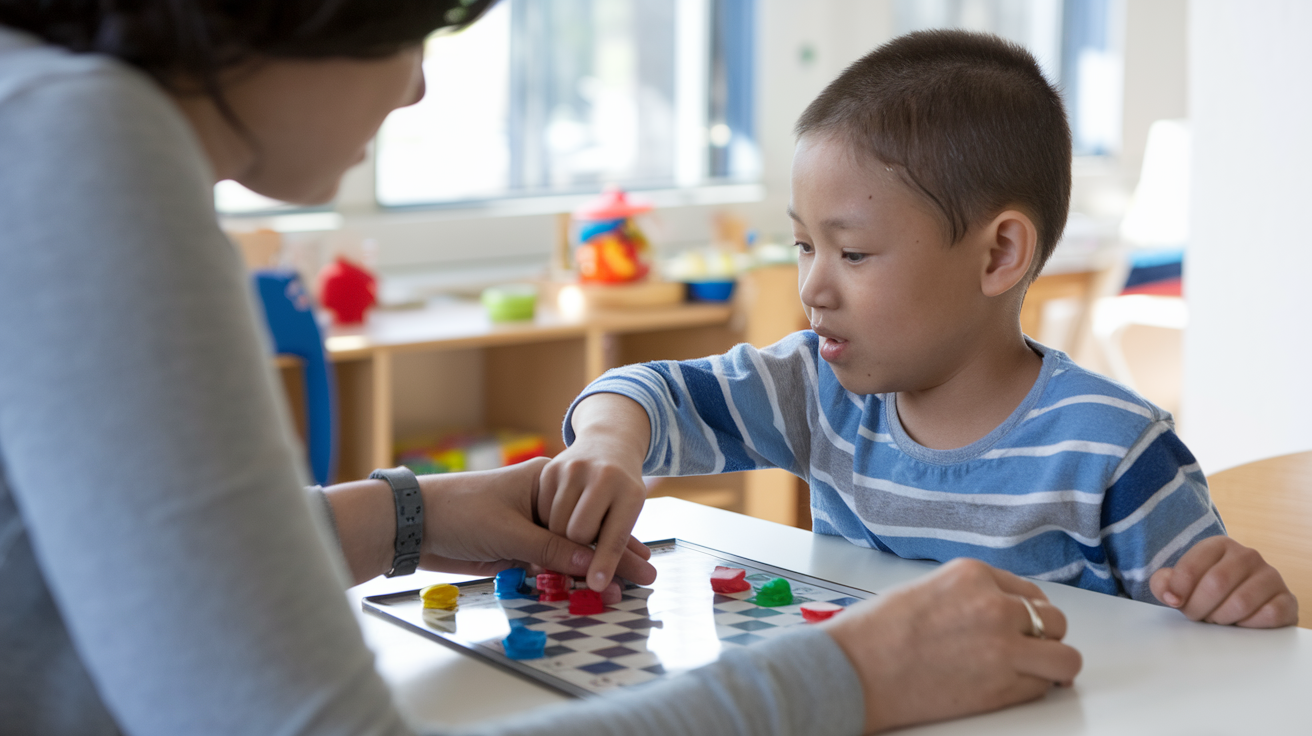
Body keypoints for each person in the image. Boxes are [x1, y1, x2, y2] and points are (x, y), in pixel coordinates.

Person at [0, 3, 1082, 734]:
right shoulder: (77, 141)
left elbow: (73, 574)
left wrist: (411, 517)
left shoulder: (42, 114)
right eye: (415, 22)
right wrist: (852, 674)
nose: (417, 87)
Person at [539, 30, 1299, 629]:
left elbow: (1213, 641)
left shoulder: (1114, 451)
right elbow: (648, 390)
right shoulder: (815, 389)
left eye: (854, 252)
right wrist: (611, 443)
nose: (813, 287)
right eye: (805, 245)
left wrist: (1235, 600)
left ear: (999, 253)